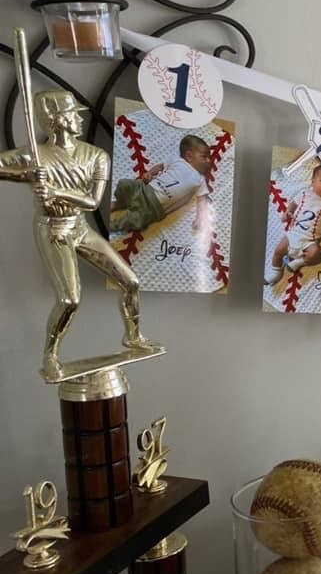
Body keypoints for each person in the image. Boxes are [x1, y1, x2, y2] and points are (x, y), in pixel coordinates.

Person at [0, 90, 157, 380]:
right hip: (53, 230)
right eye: (72, 114)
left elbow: (92, 201)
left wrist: (55, 191)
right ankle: (51, 355)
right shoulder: (34, 155)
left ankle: (133, 336)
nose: (78, 120)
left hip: (80, 228)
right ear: (57, 121)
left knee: (131, 282)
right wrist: (25, 173)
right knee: (70, 300)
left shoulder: (96, 156)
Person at [110, 134, 213, 233]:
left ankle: (111, 225)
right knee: (124, 184)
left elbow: (202, 200)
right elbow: (160, 167)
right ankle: (119, 203)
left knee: (134, 221)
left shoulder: (200, 180)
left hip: (155, 208)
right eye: (204, 156)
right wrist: (149, 173)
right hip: (145, 188)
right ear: (189, 156)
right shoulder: (178, 161)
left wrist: (200, 218)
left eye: (209, 158)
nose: (209, 161)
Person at [265, 164, 321, 285]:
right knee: (278, 250)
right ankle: (276, 272)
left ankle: (299, 262)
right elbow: (293, 204)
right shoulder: (305, 194)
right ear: (313, 181)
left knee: (318, 254)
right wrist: (287, 213)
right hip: (293, 235)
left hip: (309, 241)